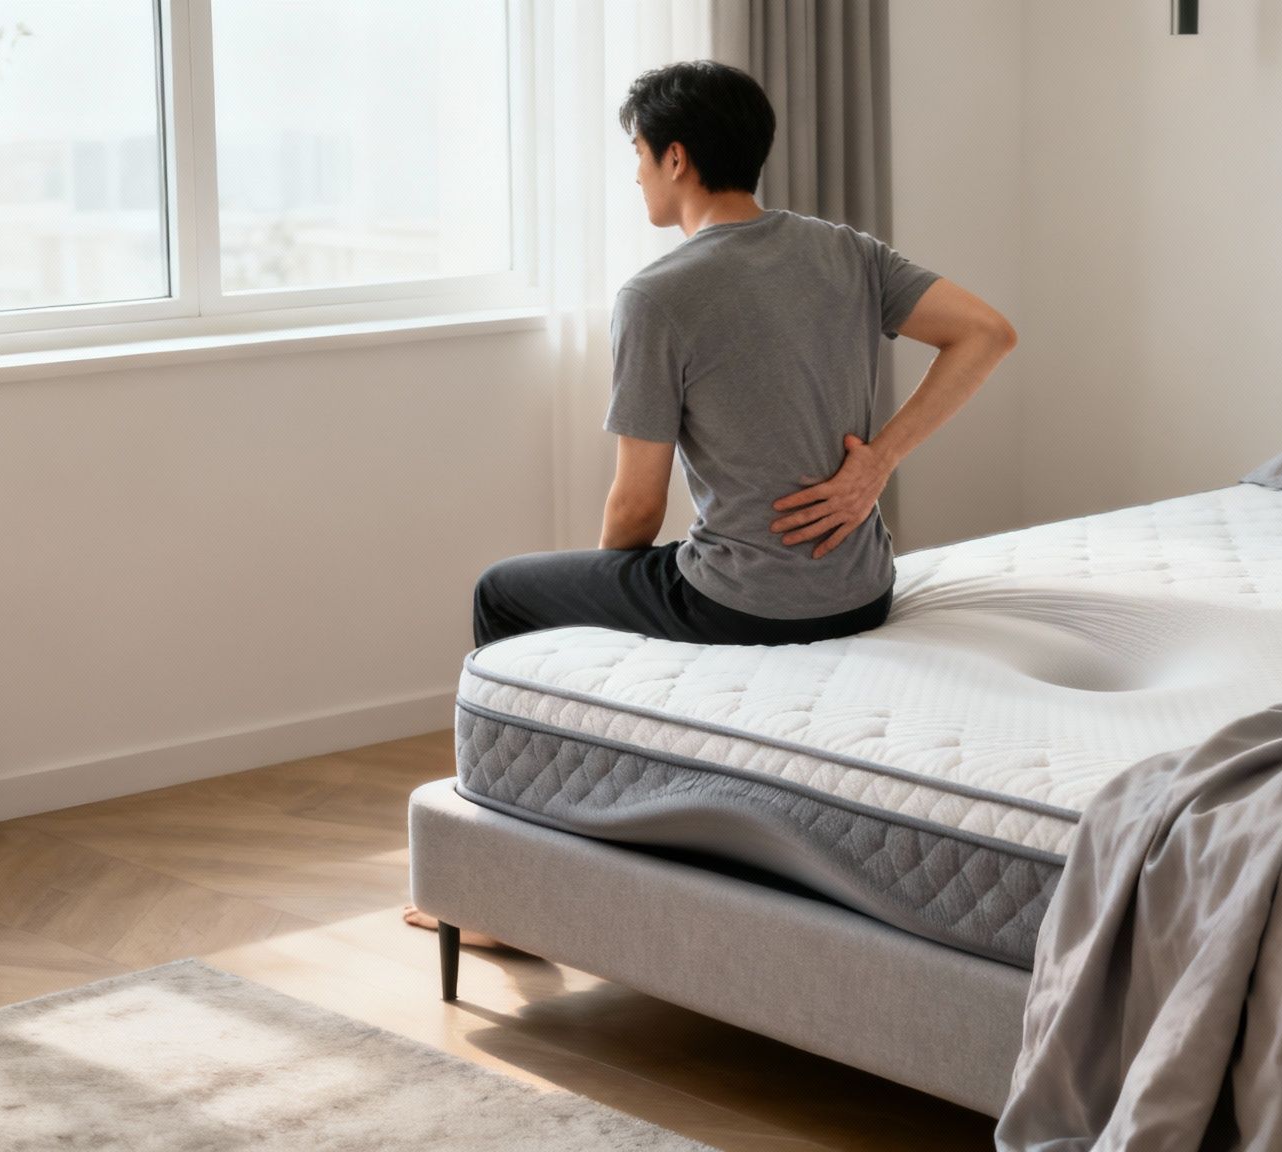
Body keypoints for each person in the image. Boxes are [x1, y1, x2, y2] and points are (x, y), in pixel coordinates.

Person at [404, 60, 1016, 946]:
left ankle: (496, 893)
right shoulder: (844, 250)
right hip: (860, 586)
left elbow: (636, 510)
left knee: (505, 589)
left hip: (743, 604)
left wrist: (602, 584)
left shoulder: (657, 296)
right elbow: (988, 333)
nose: (637, 175)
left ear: (678, 158)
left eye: (638, 156)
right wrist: (877, 462)